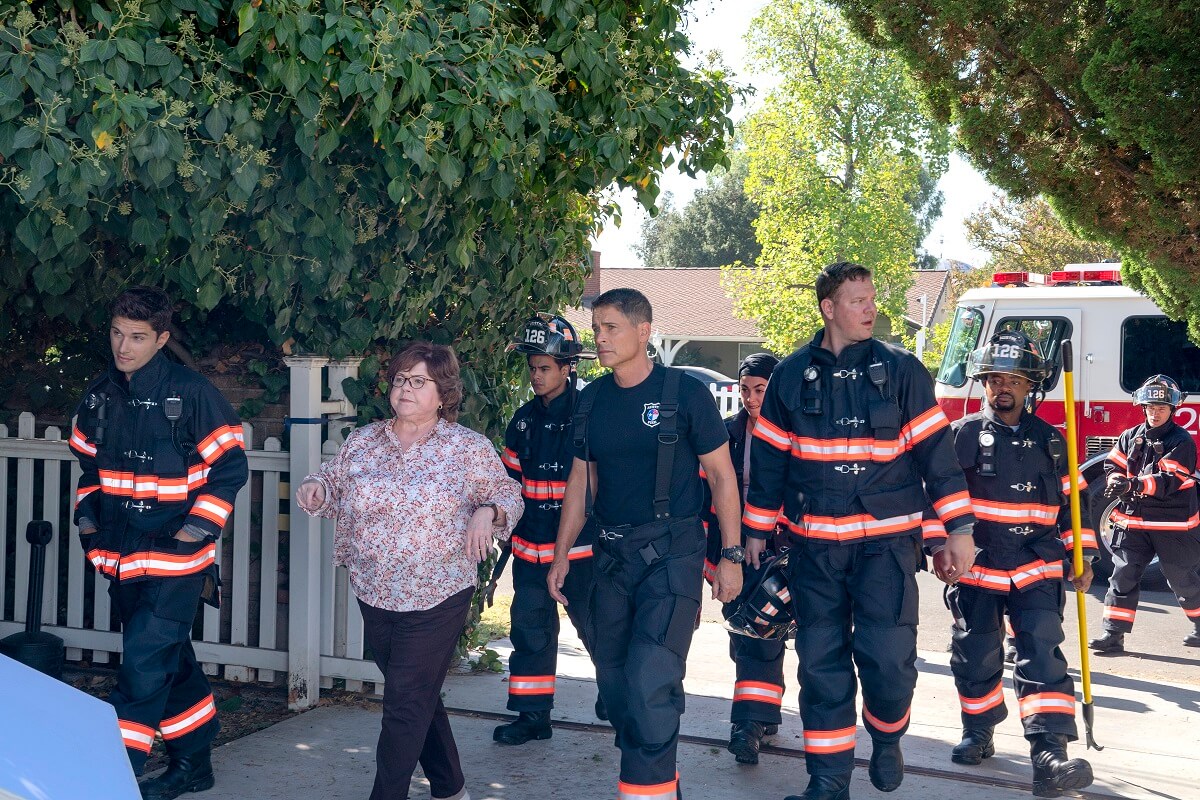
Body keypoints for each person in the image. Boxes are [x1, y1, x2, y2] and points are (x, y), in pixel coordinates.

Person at [742, 261, 977, 800]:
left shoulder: (903, 369)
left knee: (889, 662)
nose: (871, 309)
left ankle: (887, 736)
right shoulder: (790, 375)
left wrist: (958, 530)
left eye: (872, 298)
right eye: (858, 300)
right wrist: (755, 533)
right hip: (814, 552)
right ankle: (828, 782)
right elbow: (770, 464)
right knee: (820, 668)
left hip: (886, 550)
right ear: (829, 308)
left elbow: (938, 459)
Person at [295, 342, 522, 800]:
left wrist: (488, 511)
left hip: (439, 593)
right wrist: (316, 487)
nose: (406, 388)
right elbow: (333, 481)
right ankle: (450, 787)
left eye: (419, 381)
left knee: (403, 704)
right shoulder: (364, 441)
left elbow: (508, 494)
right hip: (374, 590)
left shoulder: (466, 448)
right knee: (416, 696)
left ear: (444, 393)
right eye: (400, 379)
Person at [546, 288, 743, 800]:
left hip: (673, 556)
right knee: (616, 687)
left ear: (643, 331)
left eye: (610, 327)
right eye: (596, 329)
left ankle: (647, 790)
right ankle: (658, 782)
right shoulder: (592, 400)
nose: (600, 338)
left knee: (649, 680)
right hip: (611, 559)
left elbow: (722, 477)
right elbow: (579, 481)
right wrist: (562, 554)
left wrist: (731, 555)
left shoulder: (686, 394)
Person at [69, 286, 249, 800]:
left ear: (162, 339)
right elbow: (89, 469)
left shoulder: (192, 392)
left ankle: (112, 778)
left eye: (137, 337)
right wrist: (88, 527)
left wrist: (193, 533)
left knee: (143, 668)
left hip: (176, 564)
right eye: (117, 333)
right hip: (119, 558)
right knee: (171, 659)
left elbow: (230, 468)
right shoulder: (100, 394)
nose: (123, 346)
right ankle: (194, 763)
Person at [947, 330, 1097, 798]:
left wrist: (1083, 556)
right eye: (995, 379)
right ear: (984, 383)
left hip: (1037, 567)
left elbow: (1076, 506)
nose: (1003, 388)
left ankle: (1050, 756)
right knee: (976, 655)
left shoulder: (1054, 441)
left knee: (1042, 656)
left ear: (1031, 385)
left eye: (1013, 380)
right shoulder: (962, 435)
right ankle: (978, 730)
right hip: (979, 567)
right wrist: (941, 548)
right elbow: (939, 499)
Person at [493, 314, 604, 745]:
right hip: (530, 552)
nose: (536, 376)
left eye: (544, 368)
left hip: (582, 553)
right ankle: (533, 717)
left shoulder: (589, 416)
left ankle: (618, 698)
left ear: (567, 367)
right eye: (532, 368)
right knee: (530, 633)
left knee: (599, 628)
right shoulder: (522, 420)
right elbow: (509, 486)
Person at [701, 352, 790, 766]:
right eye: (745, 390)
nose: (751, 399)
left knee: (761, 637)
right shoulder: (725, 434)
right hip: (733, 552)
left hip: (780, 553)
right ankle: (762, 711)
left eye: (761, 390)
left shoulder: (795, 433)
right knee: (745, 635)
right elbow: (704, 495)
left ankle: (748, 726)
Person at [1090, 374, 1200, 652]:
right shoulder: (1130, 436)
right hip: (1134, 521)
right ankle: (1113, 635)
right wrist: (1116, 479)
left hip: (1171, 525)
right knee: (1122, 575)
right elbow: (1113, 463)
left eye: (1161, 408)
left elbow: (1169, 480)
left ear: (1172, 410)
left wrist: (1133, 484)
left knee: (1181, 579)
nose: (1155, 412)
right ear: (1143, 408)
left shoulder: (1182, 441)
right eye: (1150, 407)